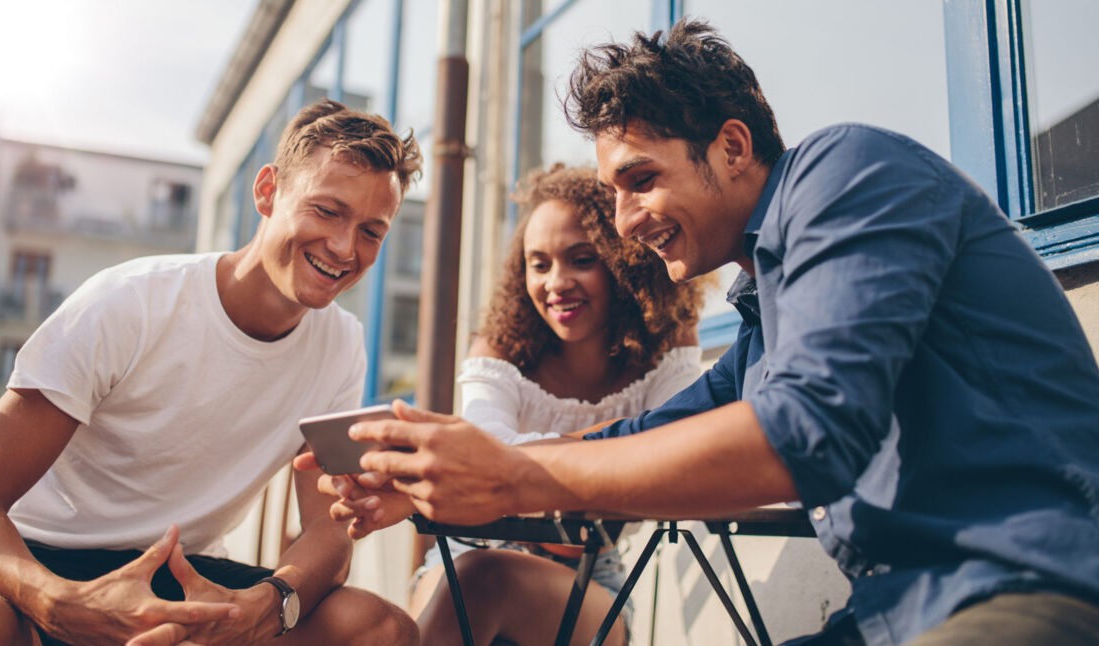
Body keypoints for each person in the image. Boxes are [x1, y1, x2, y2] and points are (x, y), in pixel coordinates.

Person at [313, 19, 1099, 646]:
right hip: (893, 612)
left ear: (732, 145)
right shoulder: (768, 315)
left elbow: (807, 432)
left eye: (642, 180)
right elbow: (642, 436)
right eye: (613, 192)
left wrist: (513, 480)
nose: (625, 220)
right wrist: (443, 478)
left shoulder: (848, 171)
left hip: (1031, 584)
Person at [0, 99, 422, 646]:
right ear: (267, 191)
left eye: (371, 232)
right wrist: (57, 602)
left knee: (379, 629)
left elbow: (329, 527)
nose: (343, 247)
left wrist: (272, 603)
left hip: (185, 575)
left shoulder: (341, 345)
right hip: (33, 561)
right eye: (327, 211)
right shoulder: (129, 303)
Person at [324, 164, 704, 645]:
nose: (556, 282)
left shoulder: (667, 346)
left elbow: (677, 446)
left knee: (485, 580)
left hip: (589, 572)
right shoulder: (498, 349)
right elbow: (488, 445)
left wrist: (512, 462)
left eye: (581, 259)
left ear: (623, 261)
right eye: (539, 264)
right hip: (465, 551)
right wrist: (613, 448)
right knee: (474, 575)